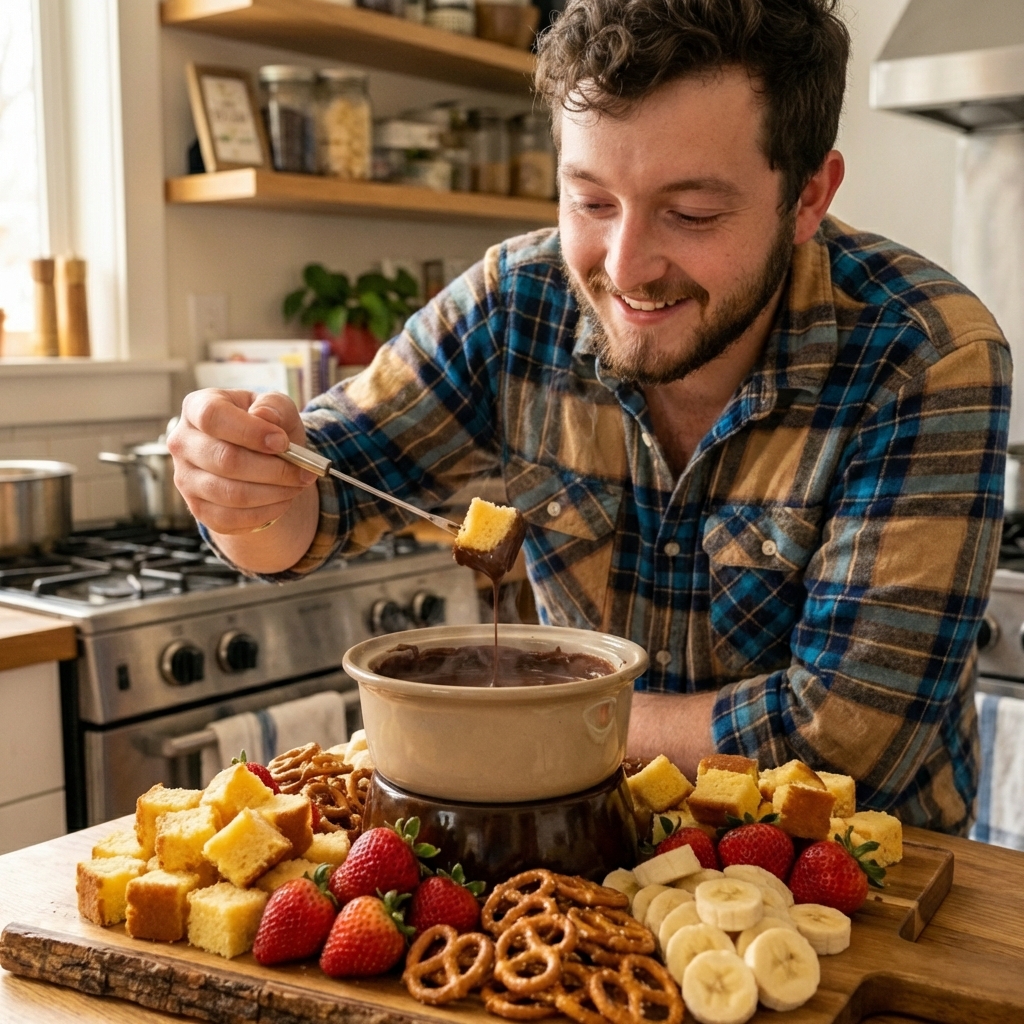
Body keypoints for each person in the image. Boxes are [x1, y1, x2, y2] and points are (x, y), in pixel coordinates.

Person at [168, 0, 1010, 834]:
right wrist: (244, 485)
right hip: (588, 863)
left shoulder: (926, 354)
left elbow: (846, 739)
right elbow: (322, 500)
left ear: (807, 197)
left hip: (859, 889)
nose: (626, 266)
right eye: (591, 201)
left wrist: (522, 715)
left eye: (693, 214)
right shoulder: (517, 304)